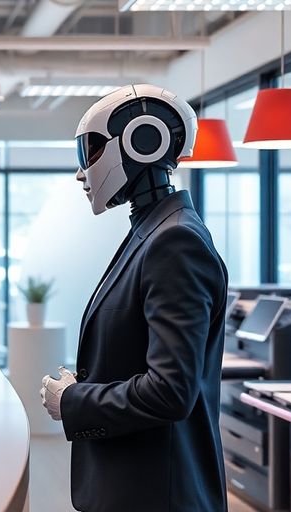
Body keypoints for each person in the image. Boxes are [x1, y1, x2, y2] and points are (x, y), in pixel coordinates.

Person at [40, 84, 229, 512]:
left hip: (157, 494)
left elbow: (170, 391)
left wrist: (72, 401)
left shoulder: (175, 241)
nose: (81, 173)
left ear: (143, 141)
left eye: (89, 151)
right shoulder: (155, 229)